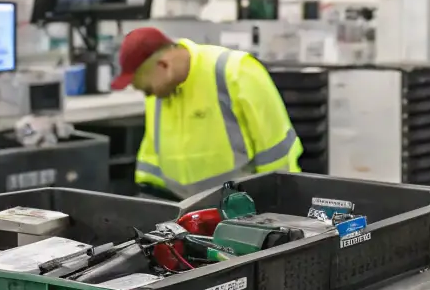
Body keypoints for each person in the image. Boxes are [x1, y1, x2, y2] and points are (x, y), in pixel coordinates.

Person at [109, 27, 302, 198]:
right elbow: (152, 155)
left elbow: (276, 151)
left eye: (147, 89)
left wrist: (277, 204)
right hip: (185, 212)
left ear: (164, 66)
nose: (148, 95)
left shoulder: (236, 72)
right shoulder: (161, 93)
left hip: (242, 208)